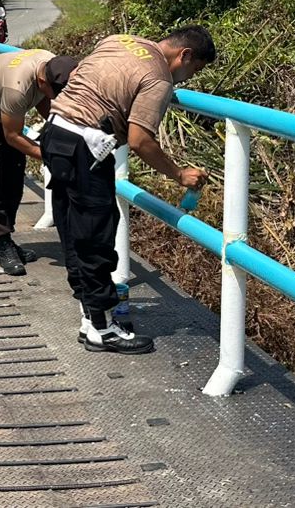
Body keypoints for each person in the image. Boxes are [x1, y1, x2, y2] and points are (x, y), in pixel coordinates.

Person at [42, 28, 215, 355]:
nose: (187, 78)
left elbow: (83, 73)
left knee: (74, 230)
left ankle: (90, 316)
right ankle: (102, 329)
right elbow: (139, 141)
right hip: (86, 147)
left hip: (55, 131)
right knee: (95, 237)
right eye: (194, 70)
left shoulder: (121, 40)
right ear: (185, 56)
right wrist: (179, 174)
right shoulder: (159, 79)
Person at [0, 49, 78, 275]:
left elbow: (48, 103)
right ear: (42, 81)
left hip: (6, 102)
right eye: (54, 93)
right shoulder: (18, 87)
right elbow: (12, 136)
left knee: (13, 174)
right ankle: (2, 242)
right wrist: (52, 154)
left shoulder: (52, 64)